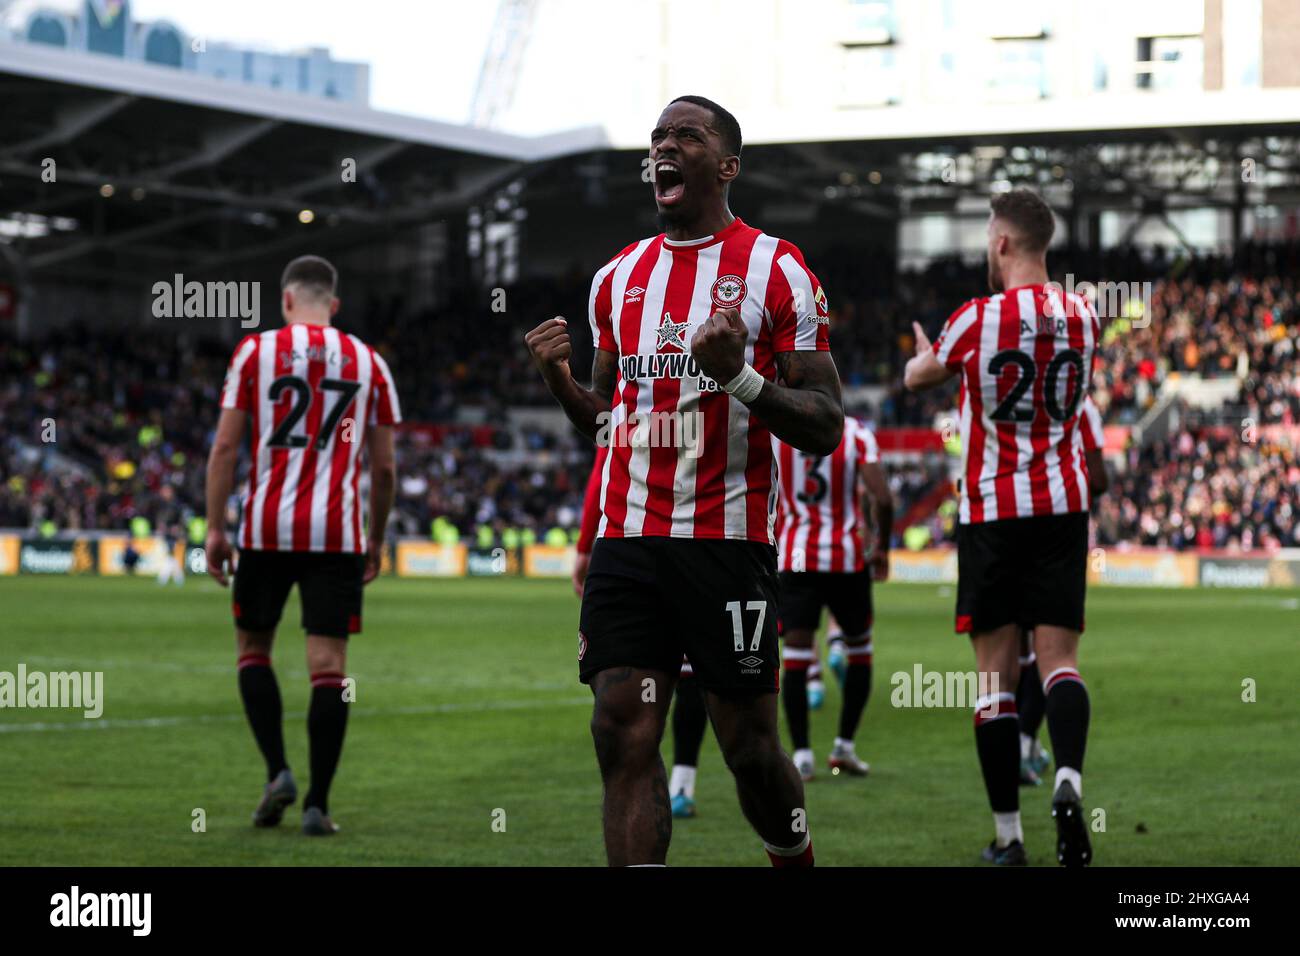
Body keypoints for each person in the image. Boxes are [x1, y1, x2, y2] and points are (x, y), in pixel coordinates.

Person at [525, 95, 843, 867]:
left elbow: (827, 423)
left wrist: (740, 379)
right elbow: (604, 421)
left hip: (725, 542)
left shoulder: (779, 270)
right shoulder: (616, 279)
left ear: (726, 165)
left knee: (748, 747)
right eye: (658, 137)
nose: (664, 147)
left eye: (686, 137)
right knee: (620, 727)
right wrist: (562, 383)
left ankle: (793, 859)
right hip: (630, 540)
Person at [904, 188, 1098, 867]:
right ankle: (1069, 780)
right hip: (1063, 508)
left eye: (990, 235)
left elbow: (916, 377)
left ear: (1004, 244)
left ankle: (1010, 838)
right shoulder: (1084, 316)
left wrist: (929, 355)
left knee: (992, 679)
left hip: (993, 513)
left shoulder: (974, 320)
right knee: (1060, 664)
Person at [205, 255, 399, 837]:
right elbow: (385, 468)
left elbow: (223, 450)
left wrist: (215, 528)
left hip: (265, 529)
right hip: (337, 534)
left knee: (253, 650)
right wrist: (377, 537)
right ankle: (317, 803)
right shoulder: (369, 363)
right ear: (333, 305)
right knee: (328, 670)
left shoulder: (254, 354)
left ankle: (276, 772)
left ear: (287, 301)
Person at [773, 416, 892, 781]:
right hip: (846, 557)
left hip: (794, 556)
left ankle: (803, 756)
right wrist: (882, 548)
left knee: (795, 654)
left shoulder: (779, 431)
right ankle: (844, 747)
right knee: (860, 651)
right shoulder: (855, 434)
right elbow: (882, 499)